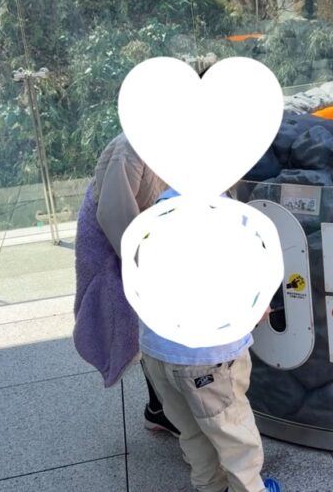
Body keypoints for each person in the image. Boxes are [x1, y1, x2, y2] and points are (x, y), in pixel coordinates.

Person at [139, 188, 280, 492]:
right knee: (234, 436)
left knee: (192, 433)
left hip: (157, 353)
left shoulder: (158, 209)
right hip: (207, 360)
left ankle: (211, 487)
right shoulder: (225, 215)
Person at [73, 132, 180, 436]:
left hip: (154, 230)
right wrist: (147, 264)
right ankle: (164, 409)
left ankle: (162, 407)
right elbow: (115, 216)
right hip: (117, 240)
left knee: (155, 323)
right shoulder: (131, 147)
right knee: (142, 322)